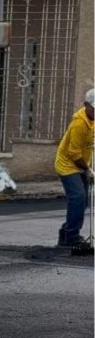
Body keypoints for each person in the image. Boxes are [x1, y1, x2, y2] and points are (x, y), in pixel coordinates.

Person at [55, 88, 94, 247]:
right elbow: (73, 153)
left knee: (83, 200)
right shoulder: (79, 123)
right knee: (78, 197)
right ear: (86, 105)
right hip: (67, 165)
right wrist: (88, 170)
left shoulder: (92, 121)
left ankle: (65, 232)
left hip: (81, 164)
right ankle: (72, 236)